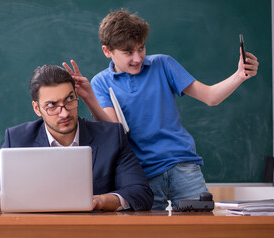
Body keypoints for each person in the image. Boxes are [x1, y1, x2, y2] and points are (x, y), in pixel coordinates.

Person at [62, 9, 259, 210]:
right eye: (128, 52)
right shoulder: (101, 82)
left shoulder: (163, 64)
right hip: (141, 176)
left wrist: (239, 75)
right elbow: (115, 130)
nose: (137, 58)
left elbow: (210, 97)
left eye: (141, 48)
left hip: (183, 167)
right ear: (107, 51)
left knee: (201, 231)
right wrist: (88, 97)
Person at [0, 65, 153, 211]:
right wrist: (6, 199)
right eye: (52, 105)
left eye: (69, 100)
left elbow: (141, 193)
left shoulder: (111, 136)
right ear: (36, 108)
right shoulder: (17, 138)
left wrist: (101, 201)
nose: (64, 113)